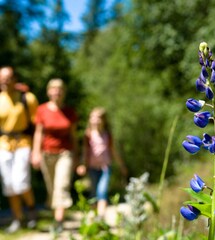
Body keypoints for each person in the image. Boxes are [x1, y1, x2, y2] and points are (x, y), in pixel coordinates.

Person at [31, 78, 78, 233]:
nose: (57, 92)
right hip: (47, 153)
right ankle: (55, 219)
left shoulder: (70, 112)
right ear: (48, 91)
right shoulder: (42, 110)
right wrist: (35, 153)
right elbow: (38, 133)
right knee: (52, 190)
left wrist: (77, 157)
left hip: (65, 153)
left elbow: (73, 136)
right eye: (54, 88)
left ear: (64, 92)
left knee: (61, 186)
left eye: (60, 89)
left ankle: (59, 222)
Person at [0, 66, 38, 233]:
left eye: (7, 77)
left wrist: (37, 150)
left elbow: (38, 125)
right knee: (8, 185)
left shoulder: (27, 98)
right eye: (1, 78)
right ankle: (17, 218)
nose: (4, 81)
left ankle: (31, 210)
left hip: (23, 143)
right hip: (3, 145)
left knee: (21, 182)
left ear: (15, 79)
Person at [76, 107, 127, 220]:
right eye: (93, 117)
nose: (95, 120)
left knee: (102, 191)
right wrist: (82, 165)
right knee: (94, 194)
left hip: (105, 168)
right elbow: (85, 152)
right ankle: (94, 217)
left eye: (98, 117)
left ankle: (100, 217)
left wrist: (121, 165)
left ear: (104, 120)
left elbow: (113, 152)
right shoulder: (88, 135)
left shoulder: (107, 135)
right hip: (92, 168)